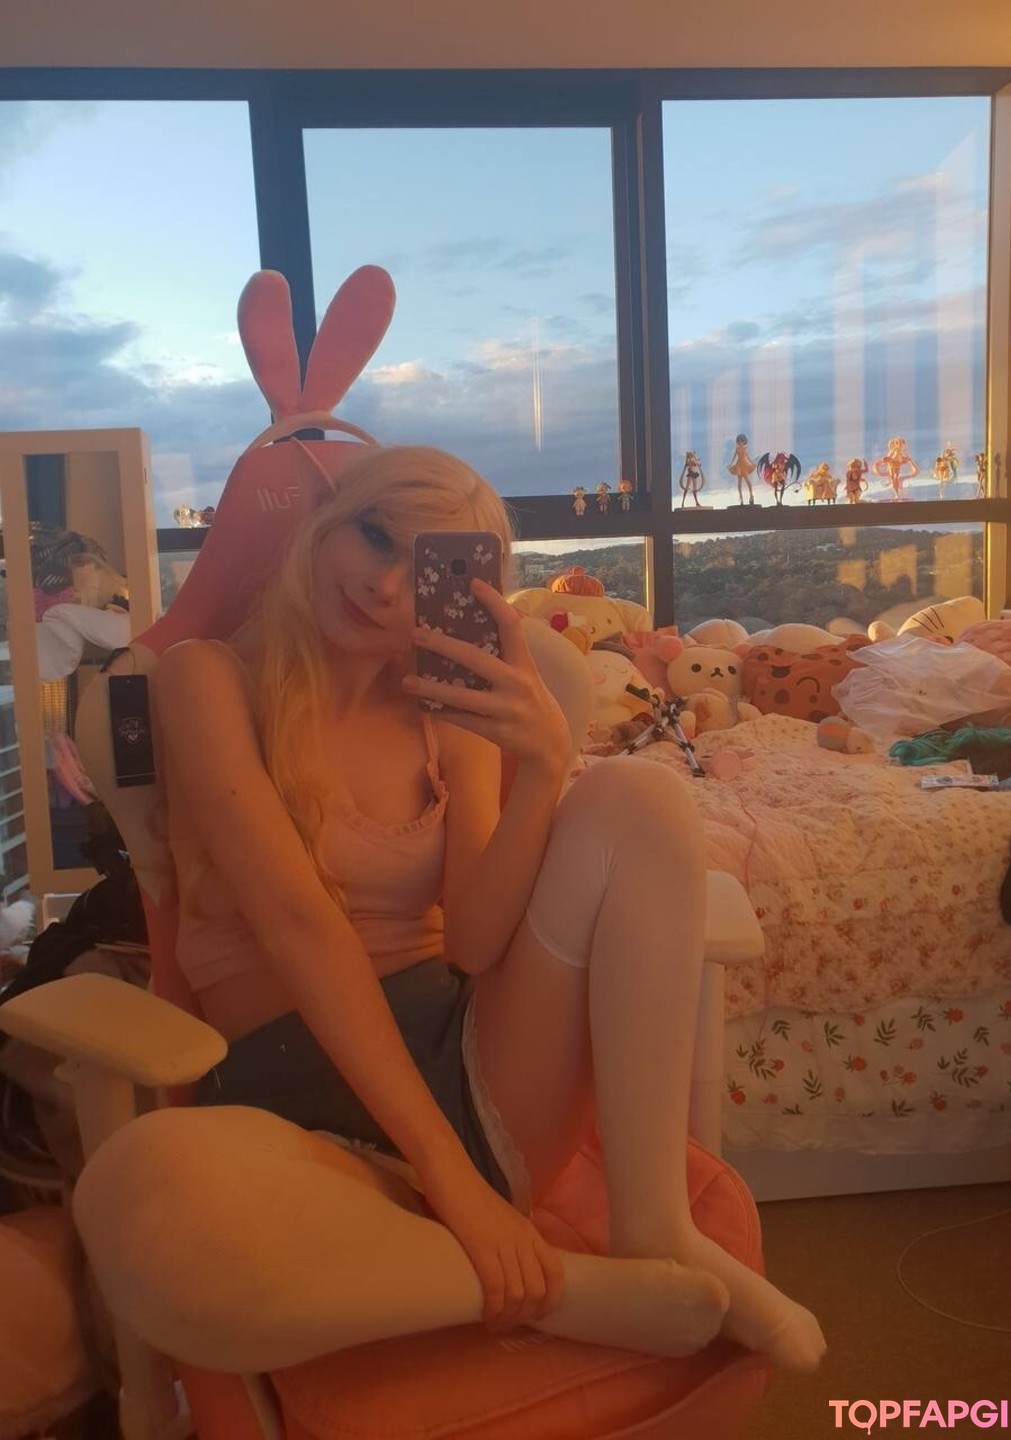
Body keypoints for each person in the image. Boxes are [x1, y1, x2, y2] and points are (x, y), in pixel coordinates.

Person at [77, 444, 824, 1375]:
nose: (384, 585)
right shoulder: (206, 678)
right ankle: (563, 1292)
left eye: (422, 565)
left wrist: (543, 769)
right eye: (374, 535)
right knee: (136, 1197)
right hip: (296, 1121)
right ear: (325, 524)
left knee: (642, 796)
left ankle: (653, 1226)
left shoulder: (443, 705)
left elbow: (472, 940)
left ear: (458, 590)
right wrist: (453, 1183)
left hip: (472, 1069)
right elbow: (301, 929)